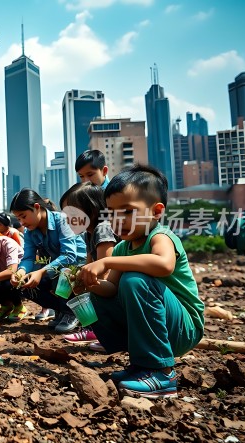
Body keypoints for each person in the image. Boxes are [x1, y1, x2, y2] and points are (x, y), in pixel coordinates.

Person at [75, 165, 204, 399]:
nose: (118, 220)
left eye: (128, 211)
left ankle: (163, 374)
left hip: (184, 327)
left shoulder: (161, 236)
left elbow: (164, 264)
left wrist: (108, 263)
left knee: (135, 280)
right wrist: (89, 283)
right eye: (112, 212)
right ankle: (142, 365)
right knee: (99, 296)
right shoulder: (123, 248)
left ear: (156, 211)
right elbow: (111, 288)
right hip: (160, 325)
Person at [10, 189, 87, 333]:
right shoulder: (29, 232)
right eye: (18, 219)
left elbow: (69, 256)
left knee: (64, 271)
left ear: (37, 208)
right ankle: (62, 310)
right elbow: (28, 258)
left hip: (78, 269)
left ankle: (72, 312)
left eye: (23, 216)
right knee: (24, 285)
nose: (22, 222)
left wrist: (41, 271)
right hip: (55, 271)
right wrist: (20, 272)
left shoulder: (62, 220)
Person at [59, 182, 119, 352]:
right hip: (108, 287)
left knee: (90, 293)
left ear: (91, 211)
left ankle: (105, 333)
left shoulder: (103, 229)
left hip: (116, 289)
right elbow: (89, 265)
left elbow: (105, 269)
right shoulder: (89, 233)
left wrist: (85, 283)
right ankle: (97, 331)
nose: (68, 220)